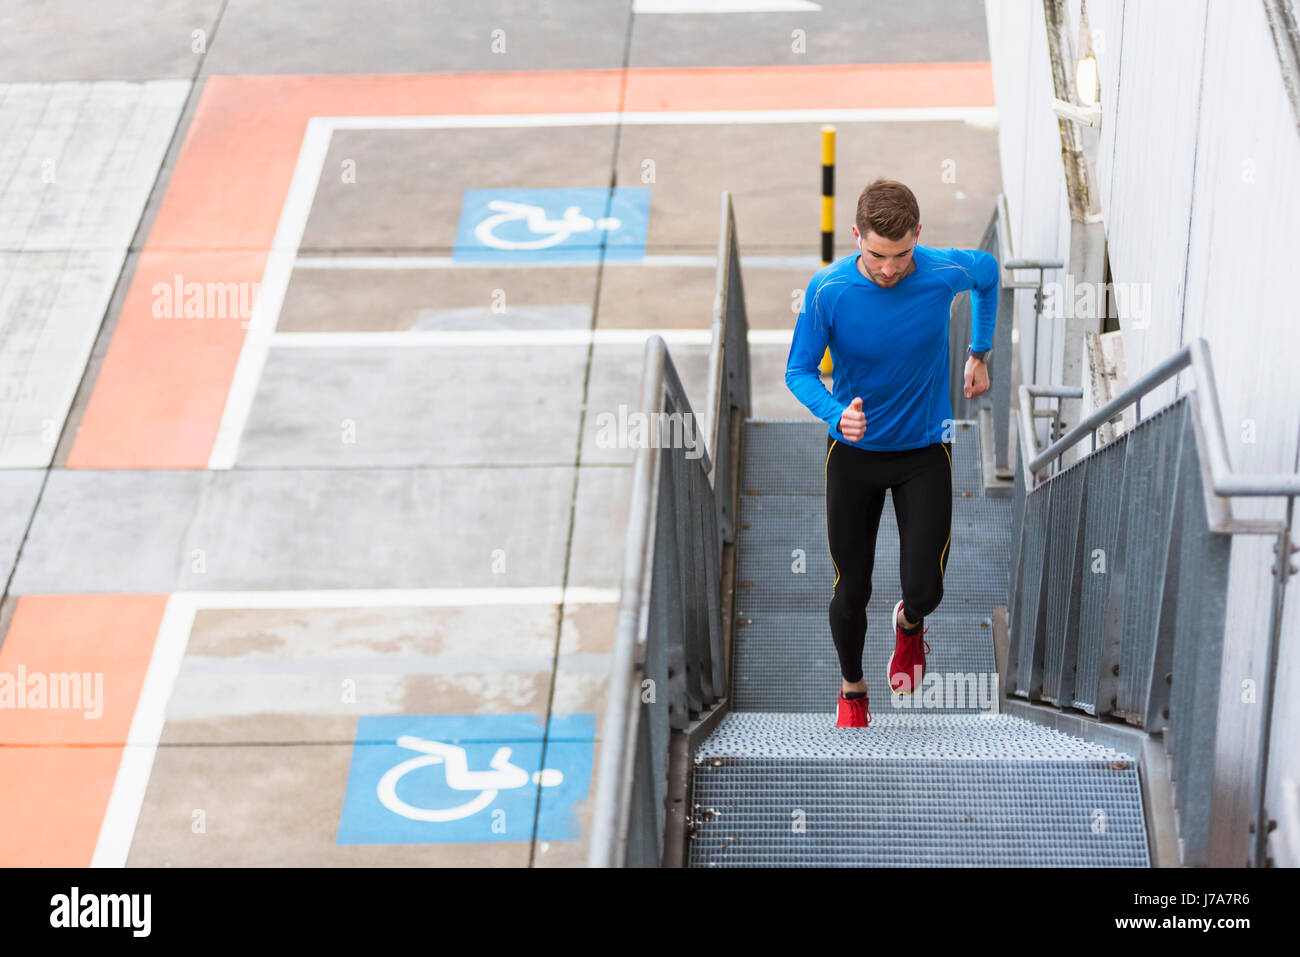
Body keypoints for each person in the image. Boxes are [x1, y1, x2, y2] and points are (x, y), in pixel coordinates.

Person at [785, 178, 998, 728]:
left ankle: (910, 626)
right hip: (853, 455)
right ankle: (852, 689)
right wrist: (836, 414)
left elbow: (989, 274)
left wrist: (979, 350)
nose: (889, 268)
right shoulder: (827, 290)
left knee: (925, 589)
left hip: (924, 451)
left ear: (917, 237)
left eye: (901, 255)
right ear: (857, 236)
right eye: (877, 255)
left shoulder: (940, 270)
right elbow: (798, 371)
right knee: (851, 587)